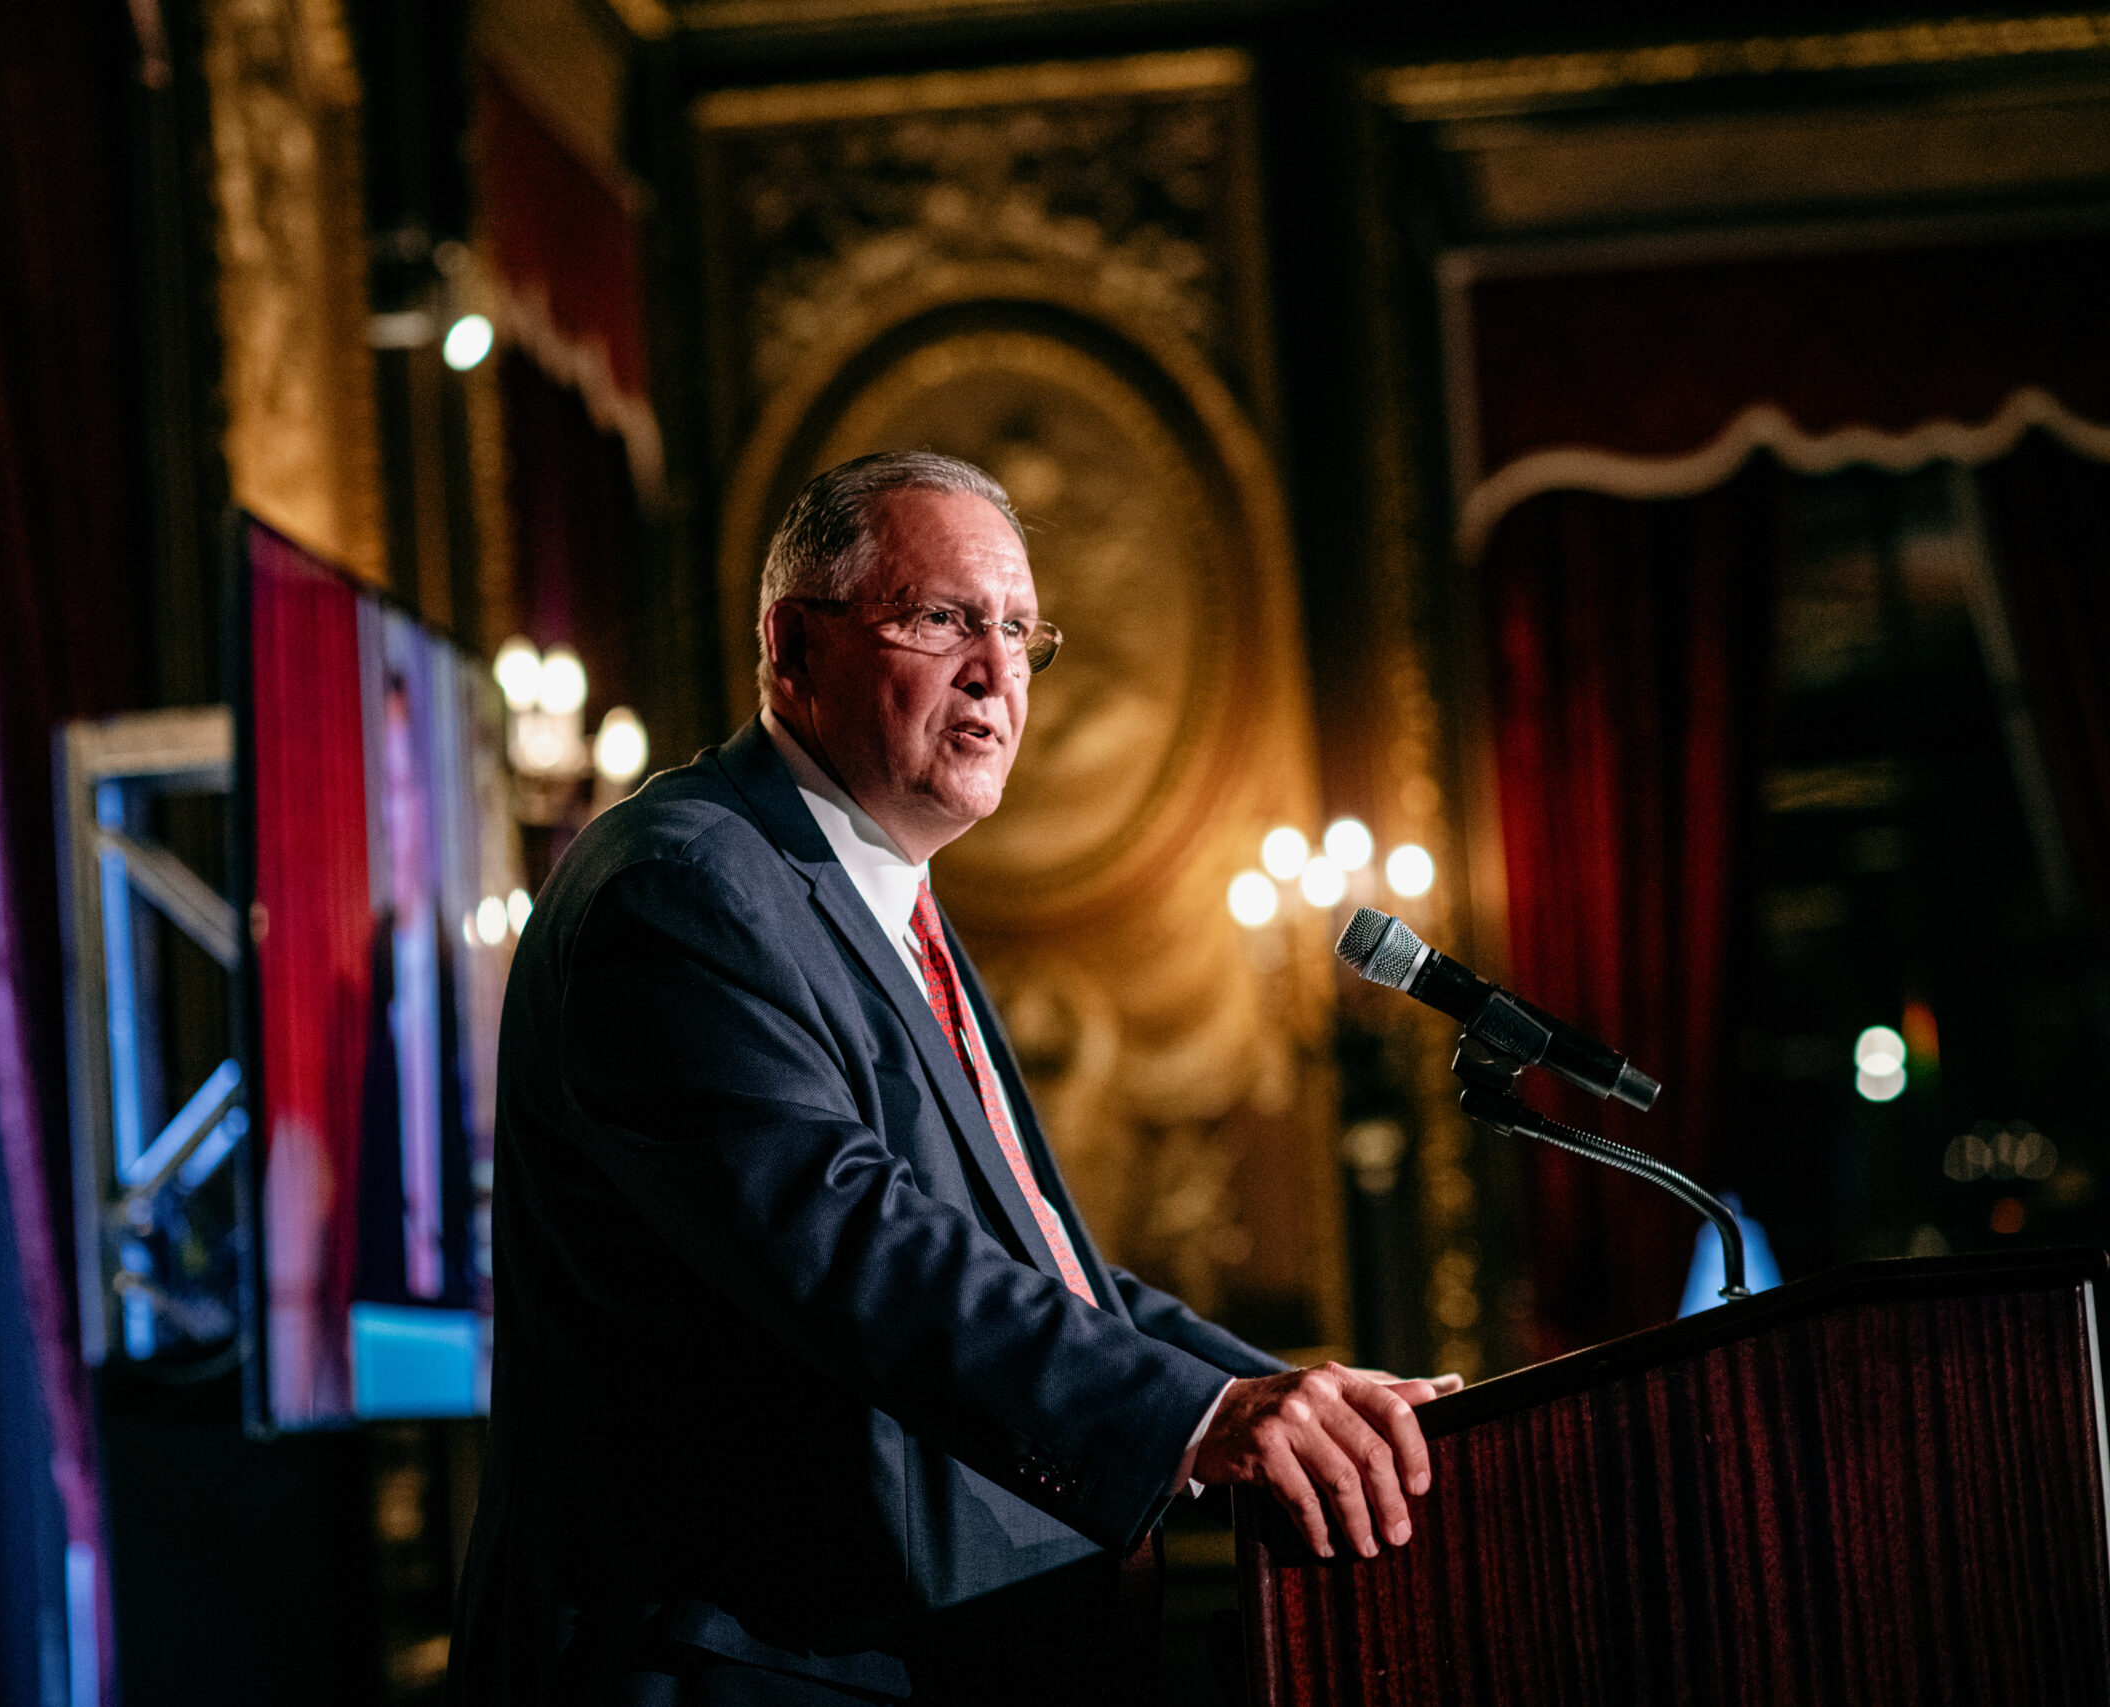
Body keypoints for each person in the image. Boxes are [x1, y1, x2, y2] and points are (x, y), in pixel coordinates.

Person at [450, 452, 1458, 1705]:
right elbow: (850, 1244)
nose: (996, 671)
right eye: (941, 620)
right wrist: (1198, 1419)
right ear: (791, 648)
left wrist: (1278, 1398)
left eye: (1020, 633)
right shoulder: (684, 886)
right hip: (735, 1666)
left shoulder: (885, 904)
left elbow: (1032, 1266)